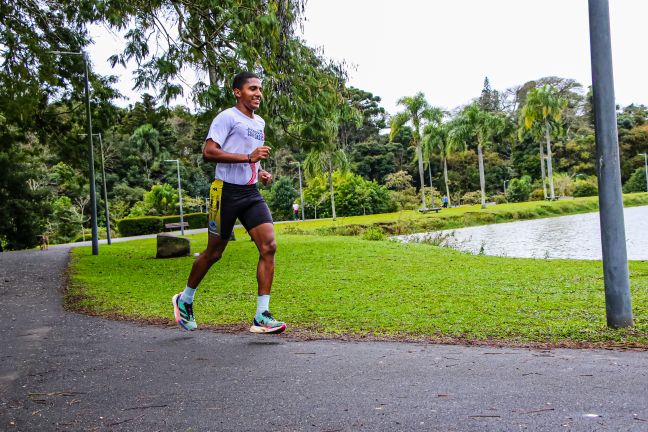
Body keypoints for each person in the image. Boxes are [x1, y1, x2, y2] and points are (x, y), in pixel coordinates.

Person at [172, 71, 286, 334]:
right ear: (238, 92)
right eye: (252, 89)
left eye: (260, 89)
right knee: (214, 253)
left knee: (269, 246)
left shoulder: (260, 123)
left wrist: (259, 170)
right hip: (224, 192)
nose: (258, 93)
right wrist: (248, 158)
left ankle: (261, 315)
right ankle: (185, 299)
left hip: (250, 192)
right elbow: (209, 152)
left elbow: (251, 156)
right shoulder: (227, 117)